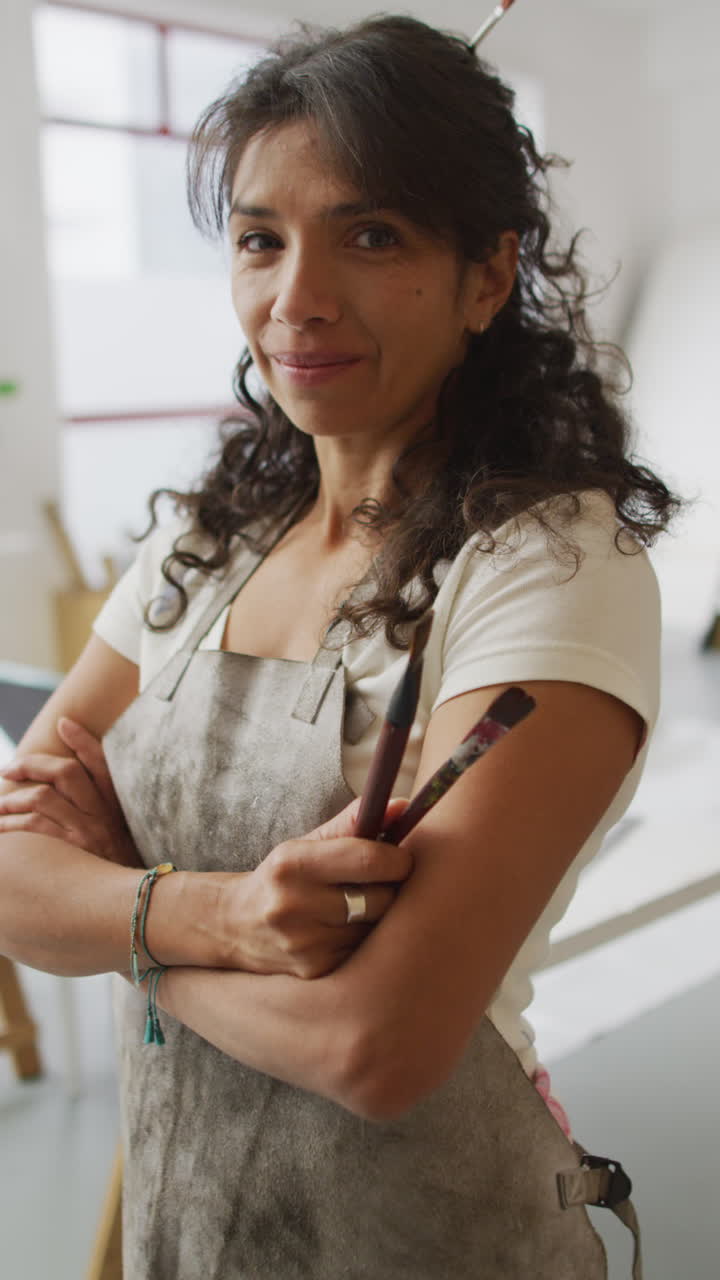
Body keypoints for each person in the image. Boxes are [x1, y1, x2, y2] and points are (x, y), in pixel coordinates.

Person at [0, 15, 680, 1279]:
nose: (296, 299)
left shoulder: (547, 568)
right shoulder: (208, 547)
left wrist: (121, 923)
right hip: (188, 1232)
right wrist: (225, 915)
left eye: (372, 236)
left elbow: (377, 1046)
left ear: (489, 275)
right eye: (260, 238)